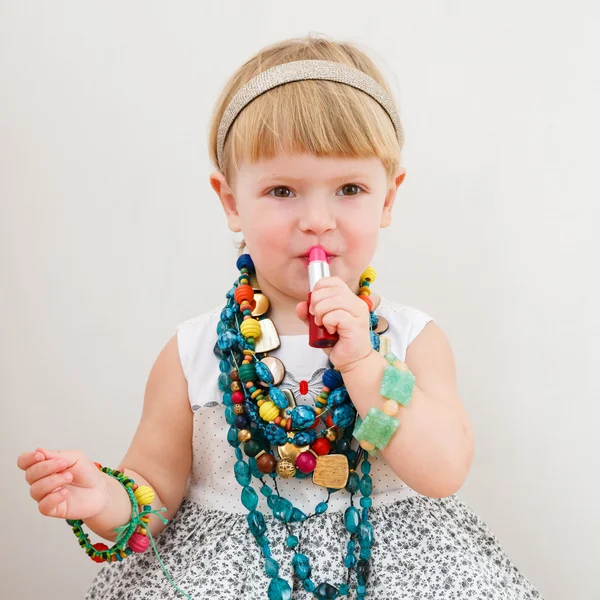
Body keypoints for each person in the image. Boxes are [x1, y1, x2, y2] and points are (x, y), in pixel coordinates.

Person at [17, 35, 545, 600]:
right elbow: (153, 494)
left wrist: (364, 364)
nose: (317, 219)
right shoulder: (194, 353)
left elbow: (442, 472)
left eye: (349, 188)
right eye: (282, 190)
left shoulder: (411, 340)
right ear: (231, 202)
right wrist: (104, 498)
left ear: (388, 199)